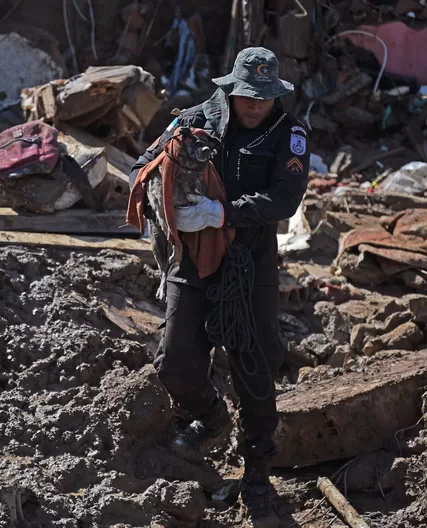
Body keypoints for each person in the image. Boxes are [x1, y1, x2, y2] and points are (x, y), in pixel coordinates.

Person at [129, 47, 309, 527]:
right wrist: (161, 199)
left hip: (249, 262)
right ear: (230, 88)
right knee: (174, 360)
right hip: (191, 258)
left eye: (263, 99)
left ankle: (257, 475)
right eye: (246, 97)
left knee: (256, 366)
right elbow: (140, 167)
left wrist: (223, 212)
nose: (254, 107)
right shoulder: (192, 121)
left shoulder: (287, 133)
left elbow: (286, 198)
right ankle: (209, 418)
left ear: (276, 96)